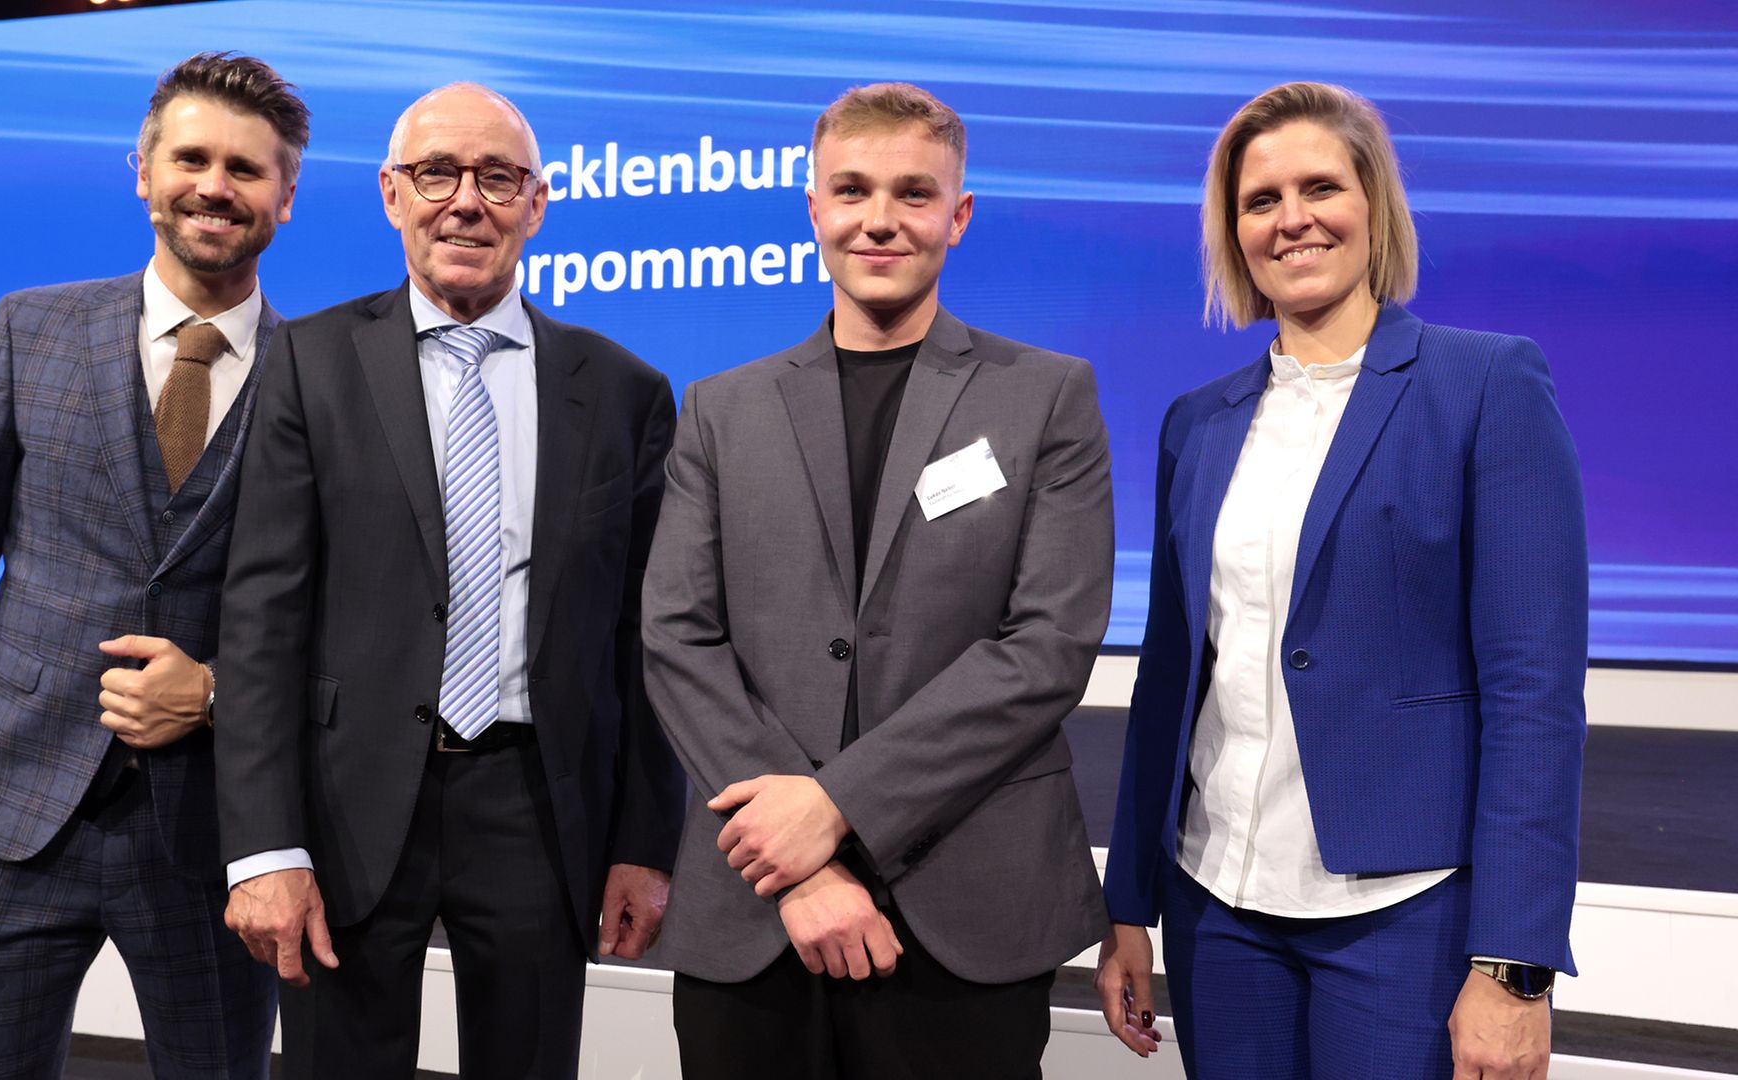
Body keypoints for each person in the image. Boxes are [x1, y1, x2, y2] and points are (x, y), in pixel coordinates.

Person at [0, 52, 308, 1079]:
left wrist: (214, 692)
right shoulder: (30, 330)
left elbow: (348, 615)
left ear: (286, 198)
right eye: (191, 157)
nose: (215, 186)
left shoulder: (326, 379)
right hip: (11, 820)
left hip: (221, 839)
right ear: (142, 169)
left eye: (247, 170)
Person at [1098, 81, 1586, 1080]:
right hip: (1216, 905)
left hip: (1404, 914)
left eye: (1320, 186)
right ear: (1233, 232)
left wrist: (1516, 968)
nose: (1292, 219)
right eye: (1259, 199)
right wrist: (1129, 906)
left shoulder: (1487, 384)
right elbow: (1168, 680)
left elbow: (1534, 695)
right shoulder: (1197, 422)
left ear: (1374, 205)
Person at [642, 82, 1114, 1080]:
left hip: (965, 908)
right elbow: (678, 637)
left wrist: (836, 808)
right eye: (852, 190)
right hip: (757, 905)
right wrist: (799, 856)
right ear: (813, 208)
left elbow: (1047, 647)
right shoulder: (722, 409)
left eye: (913, 192)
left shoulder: (1046, 397)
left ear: (959, 215)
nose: (880, 219)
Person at [214, 82, 685, 1080]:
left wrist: (646, 841)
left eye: (498, 177)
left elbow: (645, 644)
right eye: (438, 173)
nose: (466, 201)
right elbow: (261, 620)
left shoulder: (625, 392)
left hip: (540, 806)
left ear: (537, 202)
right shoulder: (306, 364)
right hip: (347, 808)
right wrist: (263, 849)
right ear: (392, 194)